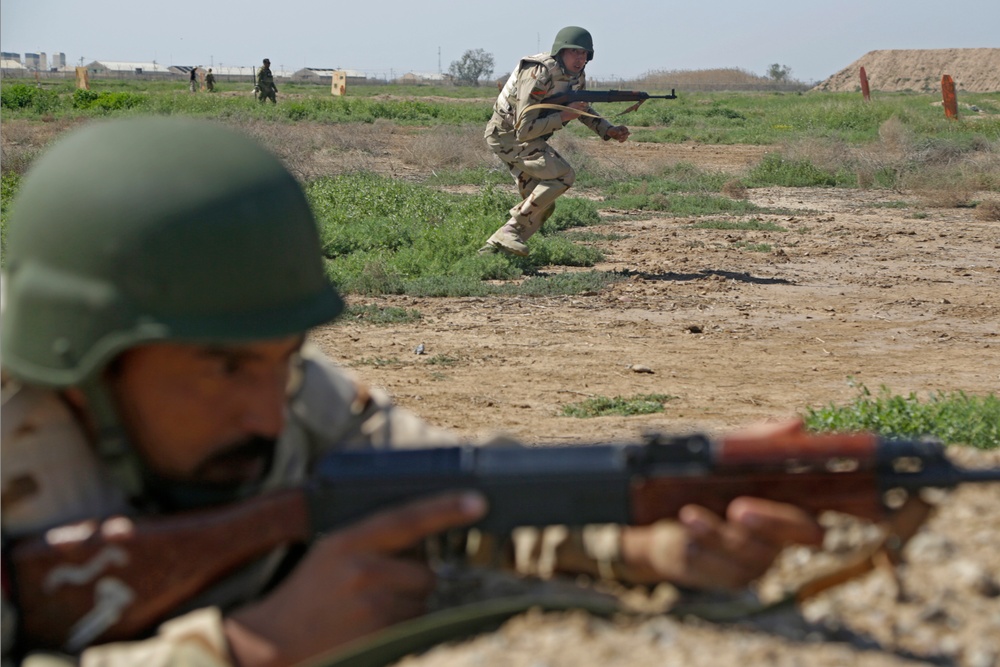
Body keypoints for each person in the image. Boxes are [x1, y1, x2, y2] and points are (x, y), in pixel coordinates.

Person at [0, 117, 823, 667]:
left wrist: (639, 544)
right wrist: (249, 646)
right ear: (86, 363)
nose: (266, 409)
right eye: (224, 367)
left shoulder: (290, 395)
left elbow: (452, 492)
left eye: (282, 357)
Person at [479, 26, 630, 257]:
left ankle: (491, 256)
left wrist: (608, 130)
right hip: (508, 136)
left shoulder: (576, 76)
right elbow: (524, 130)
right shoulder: (539, 73)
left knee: (542, 206)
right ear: (560, 51)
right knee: (563, 176)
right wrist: (563, 116)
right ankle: (509, 231)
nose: (580, 59)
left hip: (527, 137)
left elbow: (582, 107)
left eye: (584, 54)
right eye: (574, 52)